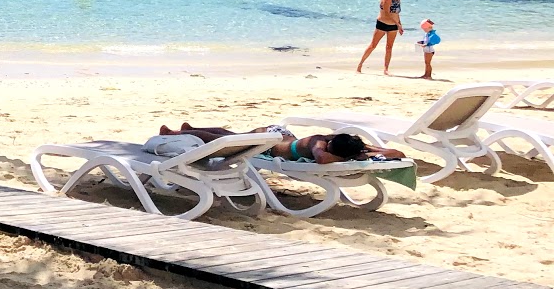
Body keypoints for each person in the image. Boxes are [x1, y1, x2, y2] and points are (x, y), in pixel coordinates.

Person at [157, 122, 406, 163]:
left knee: (228, 133)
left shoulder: (346, 147)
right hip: (270, 138)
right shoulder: (319, 143)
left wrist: (371, 150)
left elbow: (398, 153)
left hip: (278, 136)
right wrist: (352, 156)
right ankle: (177, 133)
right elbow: (321, 159)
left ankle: (189, 129)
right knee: (224, 138)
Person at [357, 0, 409, 75]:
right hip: (382, 24)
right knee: (373, 45)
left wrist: (400, 24)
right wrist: (398, 24)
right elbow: (387, 13)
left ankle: (386, 69)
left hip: (394, 26)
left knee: (389, 47)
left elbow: (396, 13)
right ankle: (360, 65)